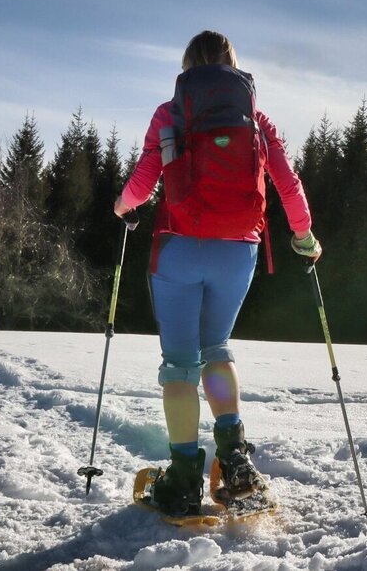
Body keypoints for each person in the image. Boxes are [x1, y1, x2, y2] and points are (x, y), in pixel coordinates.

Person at [114, 30, 322, 516]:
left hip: (179, 249)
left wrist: (122, 207)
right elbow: (287, 183)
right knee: (217, 349)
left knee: (181, 363)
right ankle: (235, 465)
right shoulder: (256, 118)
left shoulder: (170, 114)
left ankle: (185, 480)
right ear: (233, 67)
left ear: (187, 69)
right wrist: (305, 237)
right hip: (239, 251)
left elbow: (142, 183)